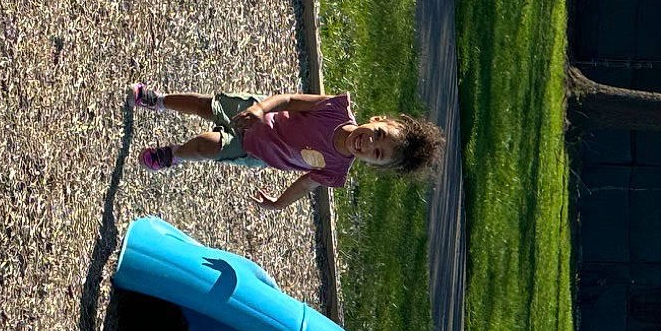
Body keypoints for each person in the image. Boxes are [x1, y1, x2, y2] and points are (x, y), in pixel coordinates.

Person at [128, 83, 444, 209]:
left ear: (374, 164)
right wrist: (260, 108)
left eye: (377, 153)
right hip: (256, 115)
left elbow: (305, 183)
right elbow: (289, 100)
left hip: (256, 151)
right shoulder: (334, 109)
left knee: (205, 146)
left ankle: (174, 155)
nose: (370, 143)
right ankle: (158, 100)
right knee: (204, 105)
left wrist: (280, 203)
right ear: (377, 120)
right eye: (379, 134)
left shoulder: (335, 171)